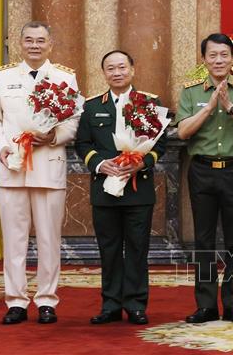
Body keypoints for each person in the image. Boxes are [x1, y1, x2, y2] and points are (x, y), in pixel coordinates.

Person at [0, 21, 80, 325]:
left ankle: (47, 300)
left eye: (40, 40)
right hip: (12, 167)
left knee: (50, 239)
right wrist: (1, 147)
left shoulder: (65, 77)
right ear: (20, 43)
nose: (34, 45)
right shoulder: (4, 76)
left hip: (48, 165)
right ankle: (16, 301)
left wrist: (54, 137)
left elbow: (73, 121)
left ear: (50, 44)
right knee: (14, 240)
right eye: (29, 40)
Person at [176, 33, 233, 324]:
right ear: (204, 59)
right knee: (203, 240)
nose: (218, 60)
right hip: (201, 170)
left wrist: (230, 107)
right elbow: (183, 132)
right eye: (212, 55)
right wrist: (210, 106)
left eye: (224, 55)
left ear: (232, 58)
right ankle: (206, 305)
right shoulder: (191, 91)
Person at [75, 50, 166, 325]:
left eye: (122, 67)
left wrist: (141, 163)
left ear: (132, 70)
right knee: (109, 249)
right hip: (104, 189)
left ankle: (136, 305)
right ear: (104, 73)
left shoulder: (149, 103)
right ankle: (111, 305)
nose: (117, 73)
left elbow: (160, 144)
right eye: (111, 68)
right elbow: (83, 144)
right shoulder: (92, 106)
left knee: (137, 249)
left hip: (139, 189)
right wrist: (99, 164)